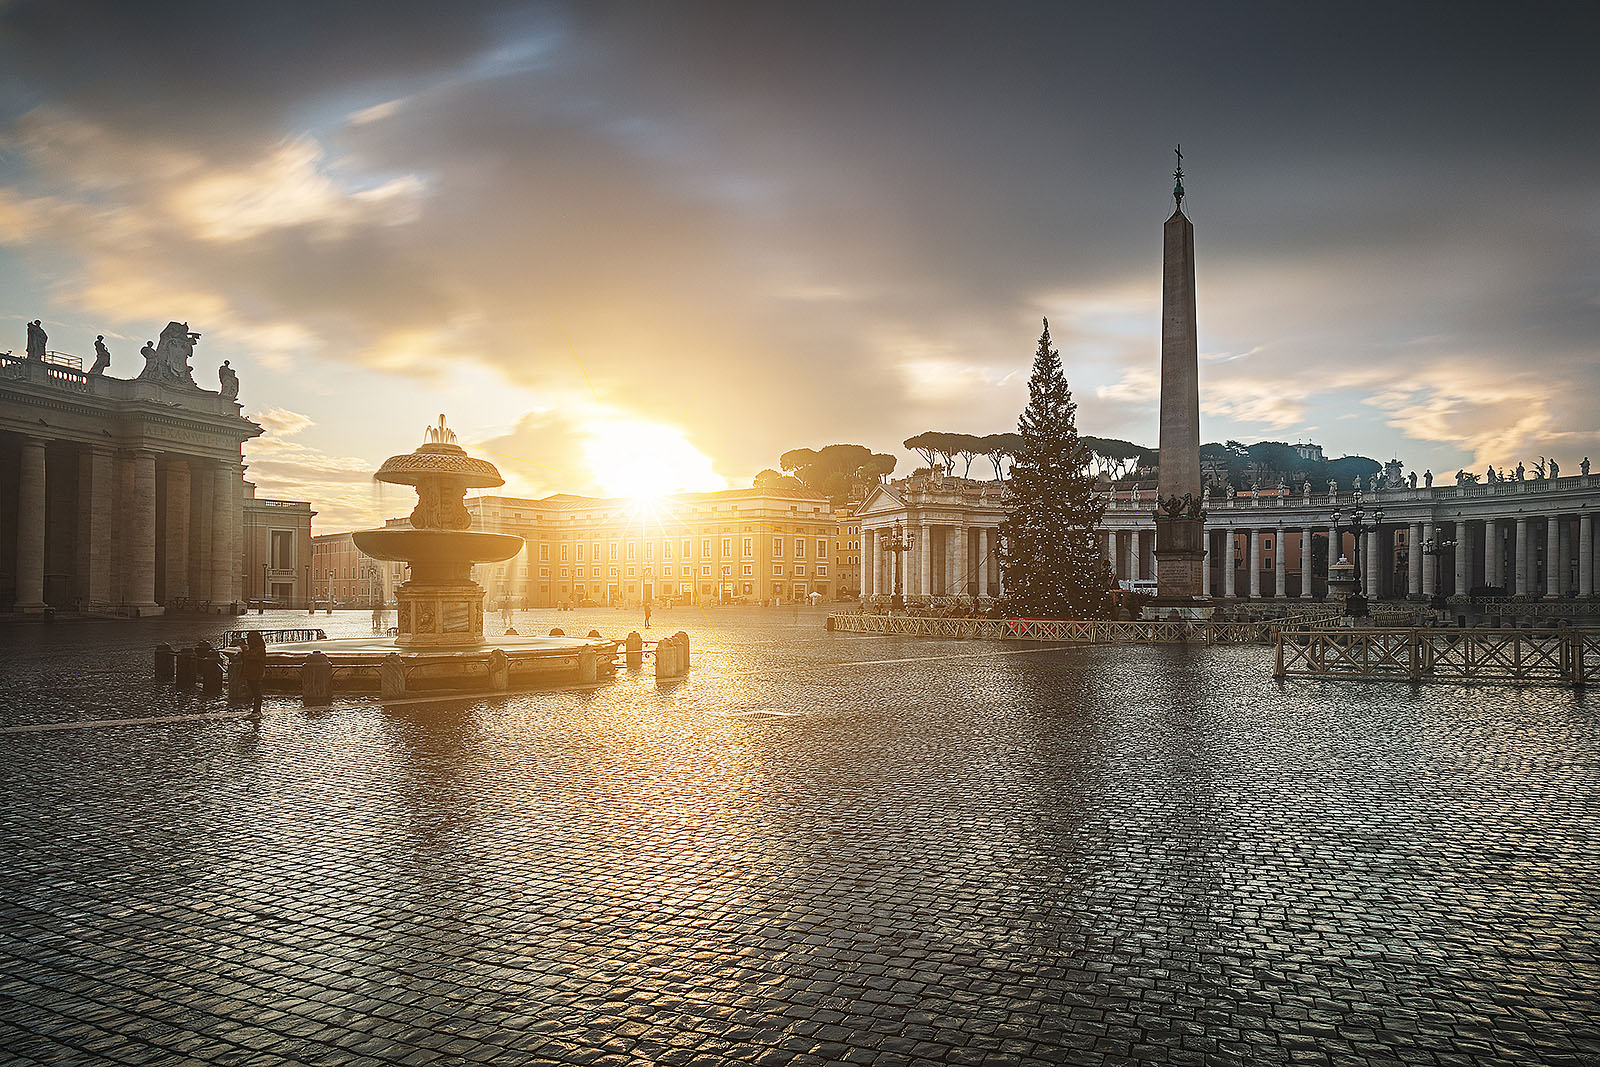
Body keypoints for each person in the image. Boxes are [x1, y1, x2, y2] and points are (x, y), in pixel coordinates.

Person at [239, 631, 267, 720]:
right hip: (251, 672)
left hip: (255, 673)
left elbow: (251, 657)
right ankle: (256, 711)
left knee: (256, 692)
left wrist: (245, 650)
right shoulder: (256, 648)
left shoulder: (259, 649)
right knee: (254, 691)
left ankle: (257, 711)